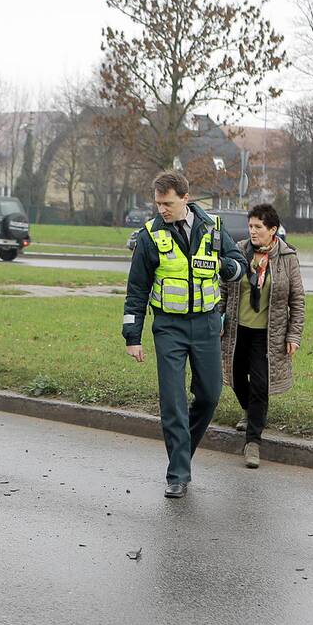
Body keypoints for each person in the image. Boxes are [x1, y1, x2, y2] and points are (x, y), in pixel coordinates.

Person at [123, 171, 246, 498]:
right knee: (174, 401)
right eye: (158, 203)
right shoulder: (150, 236)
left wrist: (227, 268)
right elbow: (136, 290)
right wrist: (132, 336)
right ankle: (178, 473)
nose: (161, 209)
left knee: (209, 395)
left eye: (168, 203)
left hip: (206, 326)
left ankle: (182, 448)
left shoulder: (214, 230)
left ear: (185, 198)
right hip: (169, 328)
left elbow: (237, 262)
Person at [220, 204, 305, 469]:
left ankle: (253, 442)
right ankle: (248, 410)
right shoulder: (240, 250)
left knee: (260, 383)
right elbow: (223, 286)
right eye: (251, 226)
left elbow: (297, 299)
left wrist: (294, 335)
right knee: (233, 375)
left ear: (272, 230)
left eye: (258, 227)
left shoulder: (287, 257)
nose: (253, 231)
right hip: (236, 329)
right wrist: (218, 318)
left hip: (267, 335)